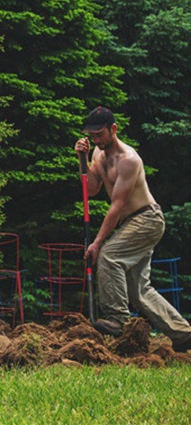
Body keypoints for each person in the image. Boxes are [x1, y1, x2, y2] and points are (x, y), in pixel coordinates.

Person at [74, 106, 191, 352]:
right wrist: (82, 159)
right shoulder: (98, 153)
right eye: (92, 135)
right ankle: (183, 335)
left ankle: (117, 318)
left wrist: (97, 242)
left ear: (113, 129)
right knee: (139, 290)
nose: (96, 139)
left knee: (108, 255)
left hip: (147, 219)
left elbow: (117, 206)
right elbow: (92, 189)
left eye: (100, 134)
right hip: (134, 223)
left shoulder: (129, 160)